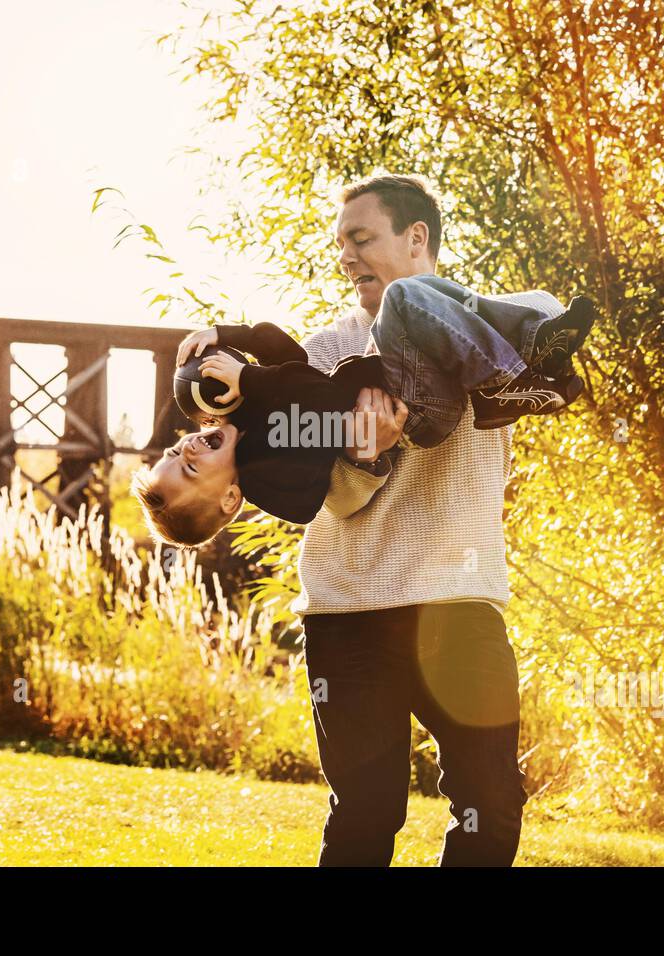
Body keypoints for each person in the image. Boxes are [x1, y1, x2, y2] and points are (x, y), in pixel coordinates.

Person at [294, 173, 551, 866]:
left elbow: (549, 321)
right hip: (351, 610)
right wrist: (362, 453)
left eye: (361, 238)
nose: (346, 257)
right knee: (368, 811)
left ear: (416, 239)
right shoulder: (324, 353)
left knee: (490, 798)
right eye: (340, 244)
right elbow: (335, 499)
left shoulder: (490, 334)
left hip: (461, 604)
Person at [131, 278, 592, 541]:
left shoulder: (249, 421)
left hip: (409, 379)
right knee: (402, 297)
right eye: (193, 469)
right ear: (229, 500)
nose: (189, 447)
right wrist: (251, 381)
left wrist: (228, 335)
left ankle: (534, 349)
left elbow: (287, 353)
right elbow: (324, 397)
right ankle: (505, 382)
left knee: (424, 290)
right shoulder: (270, 479)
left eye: (176, 454)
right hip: (416, 409)